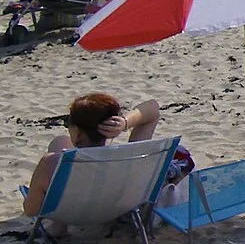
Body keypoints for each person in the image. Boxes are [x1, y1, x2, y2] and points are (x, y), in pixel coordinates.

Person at [22, 94, 162, 219]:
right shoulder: (133, 157)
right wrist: (125, 122)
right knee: (61, 140)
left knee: (59, 142)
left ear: (77, 132)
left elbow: (31, 210)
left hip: (72, 215)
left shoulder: (51, 163)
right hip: (118, 209)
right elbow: (153, 108)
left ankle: (58, 228)